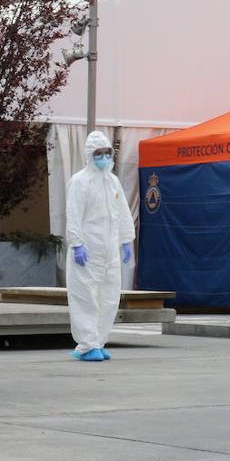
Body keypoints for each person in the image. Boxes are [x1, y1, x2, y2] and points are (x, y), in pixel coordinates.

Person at [64, 131, 134, 362]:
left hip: (110, 250)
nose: (103, 157)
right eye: (98, 153)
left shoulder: (112, 181)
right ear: (89, 155)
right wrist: (76, 244)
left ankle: (99, 341)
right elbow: (73, 214)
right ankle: (87, 344)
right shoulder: (79, 181)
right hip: (87, 249)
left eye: (106, 153)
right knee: (85, 296)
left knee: (109, 296)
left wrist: (126, 241)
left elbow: (122, 212)